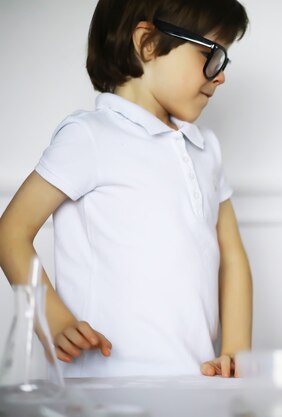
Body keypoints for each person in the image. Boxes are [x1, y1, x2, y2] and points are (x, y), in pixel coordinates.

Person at [0, 0, 252, 378]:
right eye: (210, 54)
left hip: (194, 381)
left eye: (224, 59)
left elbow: (232, 258)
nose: (220, 76)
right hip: (104, 387)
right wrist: (52, 316)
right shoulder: (90, 135)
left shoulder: (206, 148)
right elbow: (12, 231)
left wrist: (235, 351)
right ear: (147, 43)